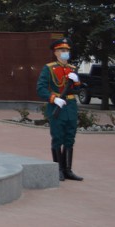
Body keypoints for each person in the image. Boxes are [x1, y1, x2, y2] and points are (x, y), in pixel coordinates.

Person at [37, 37, 84, 182]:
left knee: (70, 137)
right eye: (62, 50)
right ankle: (58, 169)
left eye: (67, 50)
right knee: (57, 137)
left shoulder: (73, 69)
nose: (65, 53)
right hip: (57, 106)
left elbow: (78, 90)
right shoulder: (49, 68)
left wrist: (77, 81)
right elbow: (40, 88)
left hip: (71, 106)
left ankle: (68, 169)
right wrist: (53, 98)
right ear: (56, 52)